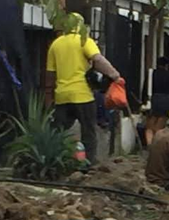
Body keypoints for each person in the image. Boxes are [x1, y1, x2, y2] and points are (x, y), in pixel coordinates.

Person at [46, 13, 121, 166]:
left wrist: (49, 95)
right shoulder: (84, 40)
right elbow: (98, 59)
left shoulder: (55, 44)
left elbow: (50, 74)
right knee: (88, 131)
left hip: (62, 96)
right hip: (83, 96)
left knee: (58, 132)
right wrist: (114, 74)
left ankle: (54, 162)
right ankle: (88, 163)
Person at [145, 57, 169, 146]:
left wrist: (144, 102)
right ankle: (156, 145)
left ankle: (149, 145)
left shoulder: (151, 74)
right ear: (166, 66)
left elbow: (145, 89)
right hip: (165, 101)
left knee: (149, 127)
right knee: (159, 127)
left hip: (153, 100)